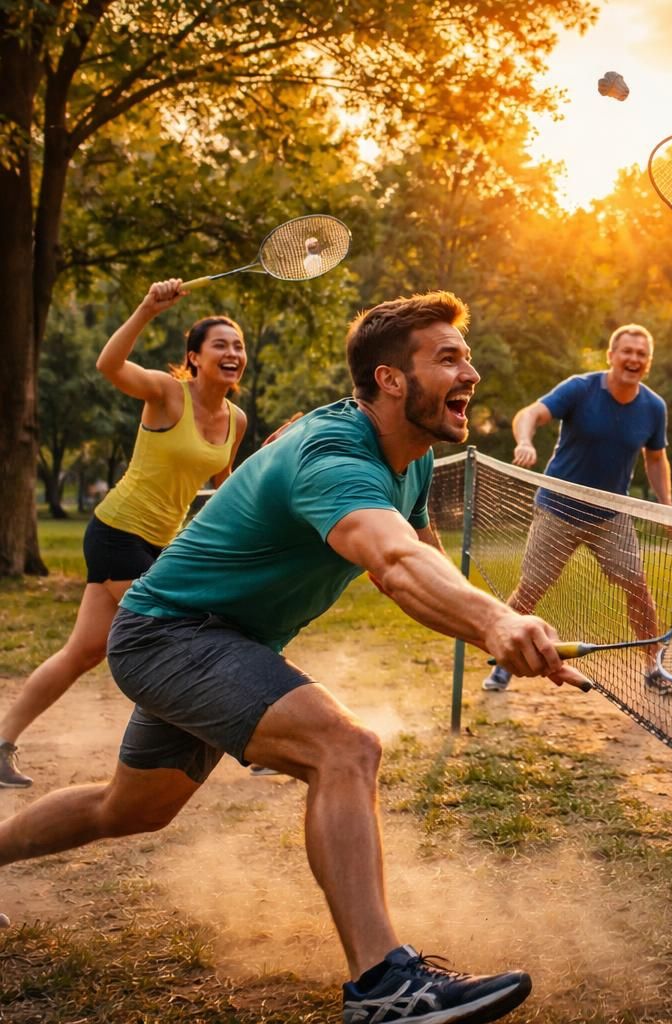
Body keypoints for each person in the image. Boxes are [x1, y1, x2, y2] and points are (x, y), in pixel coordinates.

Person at [0, 292, 587, 1022]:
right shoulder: (336, 454)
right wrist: (497, 621)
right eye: (447, 357)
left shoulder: (410, 462)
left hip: (216, 640)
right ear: (390, 380)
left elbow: (424, 564)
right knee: (345, 748)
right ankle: (382, 987)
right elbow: (395, 563)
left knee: (130, 809)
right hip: (170, 633)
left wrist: (503, 629)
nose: (469, 370)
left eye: (466, 356)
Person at [0, 281, 247, 790]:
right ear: (194, 358)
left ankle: (0, 741)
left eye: (238, 345)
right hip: (117, 531)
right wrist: (146, 308)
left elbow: (226, 493)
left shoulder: (235, 420)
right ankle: (248, 731)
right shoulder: (164, 392)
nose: (232, 352)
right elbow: (108, 366)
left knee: (83, 652)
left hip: (158, 543)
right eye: (220, 344)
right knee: (181, 628)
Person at [483, 324, 672, 695]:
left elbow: (655, 459)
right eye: (627, 351)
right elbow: (530, 413)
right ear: (611, 356)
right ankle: (504, 663)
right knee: (530, 591)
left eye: (641, 354)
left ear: (647, 363)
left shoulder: (653, 407)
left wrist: (667, 507)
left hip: (610, 515)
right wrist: (525, 441)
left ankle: (654, 667)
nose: (633, 359)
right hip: (558, 509)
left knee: (638, 589)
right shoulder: (580, 388)